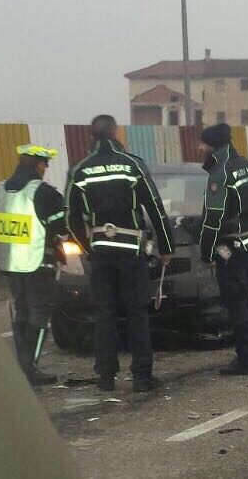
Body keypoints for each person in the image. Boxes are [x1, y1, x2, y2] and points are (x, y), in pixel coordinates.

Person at [65, 115, 174, 393]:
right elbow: (155, 208)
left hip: (101, 250)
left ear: (92, 135)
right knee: (137, 312)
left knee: (105, 313)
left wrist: (88, 247)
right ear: (115, 132)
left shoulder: (81, 170)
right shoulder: (132, 164)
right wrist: (166, 247)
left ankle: (106, 377)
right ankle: (141, 376)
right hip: (131, 249)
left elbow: (71, 218)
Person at [0, 144, 67, 386]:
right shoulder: (43, 192)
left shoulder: (0, 189)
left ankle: (22, 365)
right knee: (40, 310)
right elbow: (62, 229)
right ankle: (29, 368)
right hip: (37, 262)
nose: (46, 169)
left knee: (22, 309)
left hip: (11, 263)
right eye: (45, 164)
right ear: (37, 164)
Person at [198, 123, 248, 376]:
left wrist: (206, 254)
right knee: (246, 297)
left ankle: (247, 359)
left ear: (212, 145)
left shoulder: (220, 173)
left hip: (232, 248)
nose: (199, 148)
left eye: (202, 144)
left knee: (235, 302)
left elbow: (212, 220)